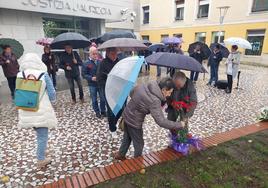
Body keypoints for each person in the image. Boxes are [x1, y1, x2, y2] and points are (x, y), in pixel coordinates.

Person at [114, 78, 185, 159]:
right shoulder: (155, 100)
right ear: (164, 89)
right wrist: (179, 124)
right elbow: (161, 121)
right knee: (139, 144)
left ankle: (120, 154)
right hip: (134, 121)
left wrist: (139, 104)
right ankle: (137, 162)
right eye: (169, 92)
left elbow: (131, 92)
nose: (169, 95)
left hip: (127, 113)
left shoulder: (148, 84)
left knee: (127, 137)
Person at [17, 53, 57, 168]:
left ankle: (42, 151)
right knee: (42, 135)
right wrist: (53, 102)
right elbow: (52, 93)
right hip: (41, 109)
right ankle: (41, 159)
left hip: (26, 108)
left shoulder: (20, 74)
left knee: (38, 131)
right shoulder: (43, 74)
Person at [97, 47, 123, 137]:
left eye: (116, 53)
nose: (115, 55)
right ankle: (112, 129)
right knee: (111, 111)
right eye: (112, 53)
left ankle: (113, 123)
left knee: (121, 109)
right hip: (109, 91)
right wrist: (109, 80)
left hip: (119, 90)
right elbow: (99, 79)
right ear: (107, 53)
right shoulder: (103, 63)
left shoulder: (119, 62)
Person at [82, 47, 106, 118]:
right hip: (92, 84)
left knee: (102, 98)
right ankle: (97, 112)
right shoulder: (86, 63)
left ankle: (103, 111)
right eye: (93, 54)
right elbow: (83, 74)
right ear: (90, 54)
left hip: (100, 84)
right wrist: (91, 78)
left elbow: (103, 71)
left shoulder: (100, 62)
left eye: (96, 54)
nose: (95, 55)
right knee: (94, 99)